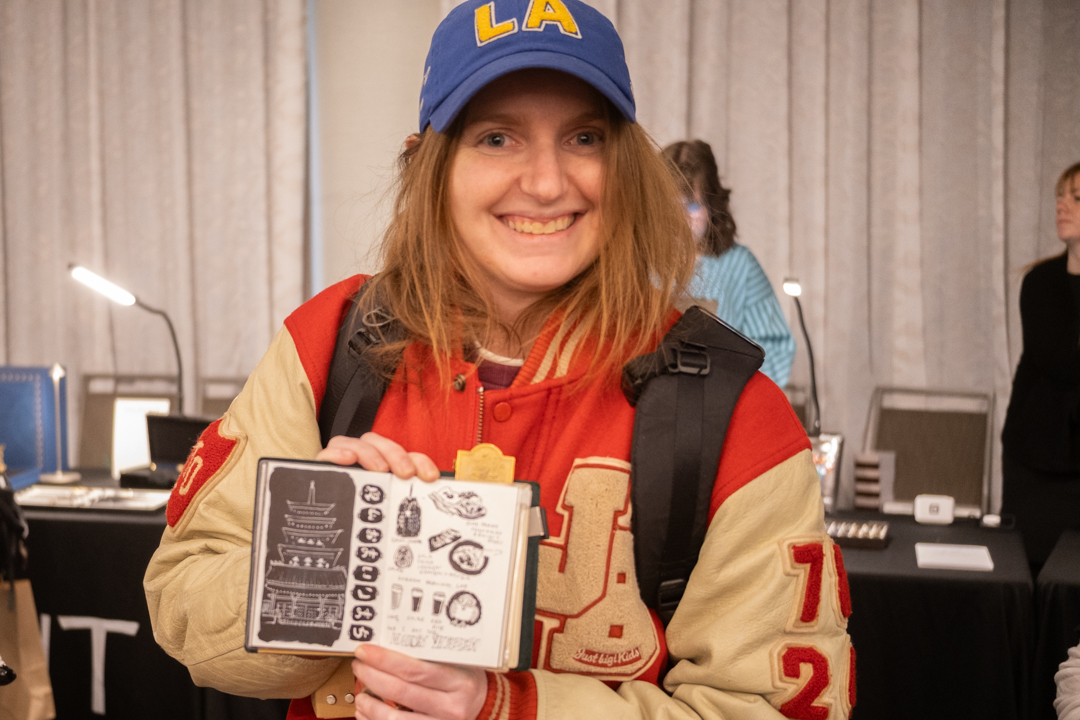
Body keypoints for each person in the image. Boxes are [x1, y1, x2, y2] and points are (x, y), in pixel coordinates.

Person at [144, 2, 853, 719]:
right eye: (496, 137)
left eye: (583, 137)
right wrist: (329, 559)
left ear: (627, 167)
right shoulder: (327, 342)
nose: (546, 183)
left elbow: (769, 708)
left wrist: (507, 707)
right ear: (430, 165)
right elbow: (180, 604)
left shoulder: (735, 412)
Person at [662, 139, 796, 387]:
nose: (681, 220)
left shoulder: (740, 266)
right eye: (673, 208)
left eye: (692, 206)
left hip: (722, 407)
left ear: (712, 205)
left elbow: (776, 348)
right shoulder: (640, 266)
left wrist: (737, 390)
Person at [1001, 160, 1080, 572]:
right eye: (1059, 197)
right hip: (1034, 455)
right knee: (1028, 572)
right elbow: (1059, 361)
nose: (1061, 206)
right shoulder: (1040, 283)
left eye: (1077, 197)